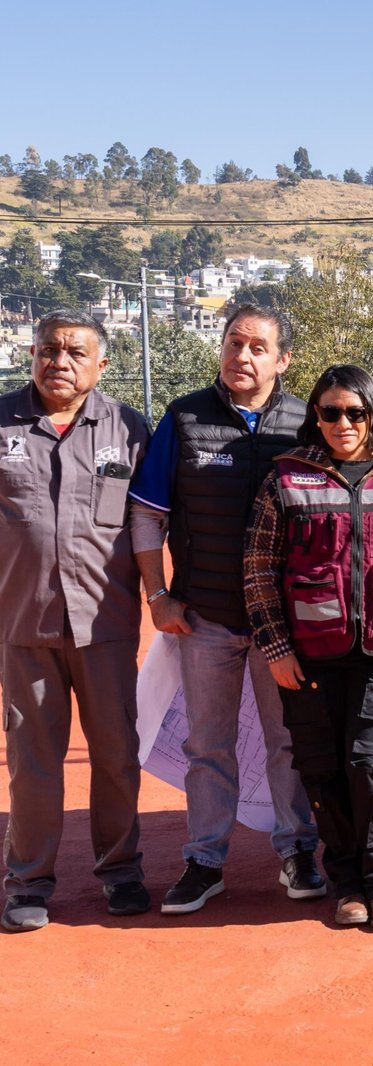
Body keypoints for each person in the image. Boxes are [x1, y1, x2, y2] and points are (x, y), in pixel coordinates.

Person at [129, 303, 321, 916]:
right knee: (208, 746)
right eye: (234, 343)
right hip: (205, 617)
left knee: (287, 741)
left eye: (258, 347)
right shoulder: (184, 417)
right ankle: (205, 861)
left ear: (283, 360)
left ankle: (297, 850)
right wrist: (158, 595)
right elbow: (147, 513)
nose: (243, 356)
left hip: (281, 626)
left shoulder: (307, 422)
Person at [243, 365, 373, 930]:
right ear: (315, 417)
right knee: (323, 768)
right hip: (309, 655)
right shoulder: (285, 479)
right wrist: (276, 648)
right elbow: (258, 569)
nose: (343, 423)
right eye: (330, 412)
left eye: (355, 412)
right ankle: (347, 882)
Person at [1, 311, 150, 934]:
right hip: (23, 625)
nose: (59, 362)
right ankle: (28, 882)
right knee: (32, 761)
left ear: (101, 365)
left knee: (115, 755)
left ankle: (121, 872)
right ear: (32, 355)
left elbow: (151, 520)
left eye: (74, 353)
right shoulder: (2, 422)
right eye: (48, 350)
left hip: (104, 623)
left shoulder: (130, 429)